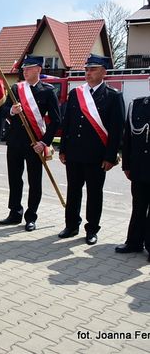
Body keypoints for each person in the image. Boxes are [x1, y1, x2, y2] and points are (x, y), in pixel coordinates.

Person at [59, 54, 124, 245]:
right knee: (73, 191)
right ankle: (71, 225)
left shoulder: (113, 96)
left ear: (104, 72)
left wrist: (110, 157)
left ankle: (92, 229)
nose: (88, 73)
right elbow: (68, 123)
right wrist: (63, 150)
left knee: (94, 194)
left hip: (96, 156)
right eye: (87, 69)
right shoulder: (76, 93)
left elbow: (116, 129)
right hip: (74, 154)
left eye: (93, 69)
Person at [0, 55, 60, 231]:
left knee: (35, 181)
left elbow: (56, 121)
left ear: (38, 69)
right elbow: (2, 111)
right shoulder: (16, 88)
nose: (24, 71)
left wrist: (44, 142)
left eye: (29, 68)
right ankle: (14, 212)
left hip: (35, 144)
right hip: (15, 142)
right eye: (23, 69)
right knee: (14, 179)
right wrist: (11, 110)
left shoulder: (47, 91)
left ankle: (31, 216)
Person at [116, 90, 150, 258]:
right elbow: (128, 137)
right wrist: (127, 165)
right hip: (140, 167)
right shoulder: (137, 105)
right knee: (138, 206)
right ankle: (134, 242)